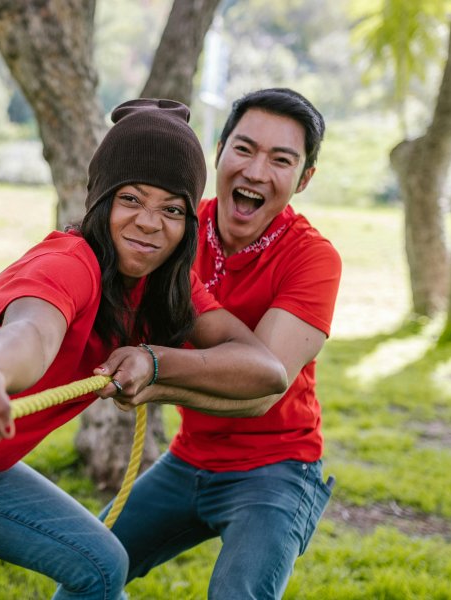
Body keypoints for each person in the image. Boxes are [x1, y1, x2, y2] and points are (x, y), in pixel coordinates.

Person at [0, 98, 288, 600]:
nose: (150, 223)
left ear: (187, 226)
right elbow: (32, 332)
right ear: (102, 200)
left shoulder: (170, 290)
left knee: (103, 565)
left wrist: (156, 362)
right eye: (131, 199)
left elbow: (265, 370)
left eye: (172, 209)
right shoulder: (69, 263)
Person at [102, 88, 342, 599]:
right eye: (244, 148)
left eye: (281, 160)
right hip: (188, 458)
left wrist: (153, 370)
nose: (256, 171)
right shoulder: (173, 225)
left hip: (278, 467)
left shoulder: (313, 259)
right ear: (219, 152)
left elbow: (262, 390)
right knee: (87, 564)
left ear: (303, 180)